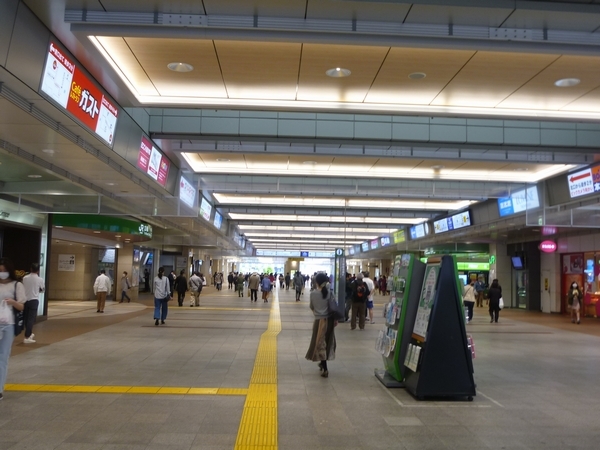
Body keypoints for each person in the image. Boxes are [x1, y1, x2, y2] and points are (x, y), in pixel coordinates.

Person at [0, 258, 26, 400]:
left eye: (4, 271)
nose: (2, 273)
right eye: (0, 271)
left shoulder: (17, 286)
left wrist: (12, 302)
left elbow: (21, 306)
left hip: (8, 324)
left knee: (3, 357)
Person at [305, 272, 337, 378]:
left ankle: (325, 368)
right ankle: (322, 363)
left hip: (319, 321)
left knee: (320, 343)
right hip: (329, 321)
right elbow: (333, 307)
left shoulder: (313, 294)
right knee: (327, 342)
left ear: (316, 282)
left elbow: (312, 307)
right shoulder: (329, 293)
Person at [22, 262, 44, 344]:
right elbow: (42, 289)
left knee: (26, 318)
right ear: (38, 270)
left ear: (31, 269)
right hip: (34, 300)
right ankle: (27, 336)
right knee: (31, 319)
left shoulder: (25, 278)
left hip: (25, 300)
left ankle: (29, 333)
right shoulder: (40, 279)